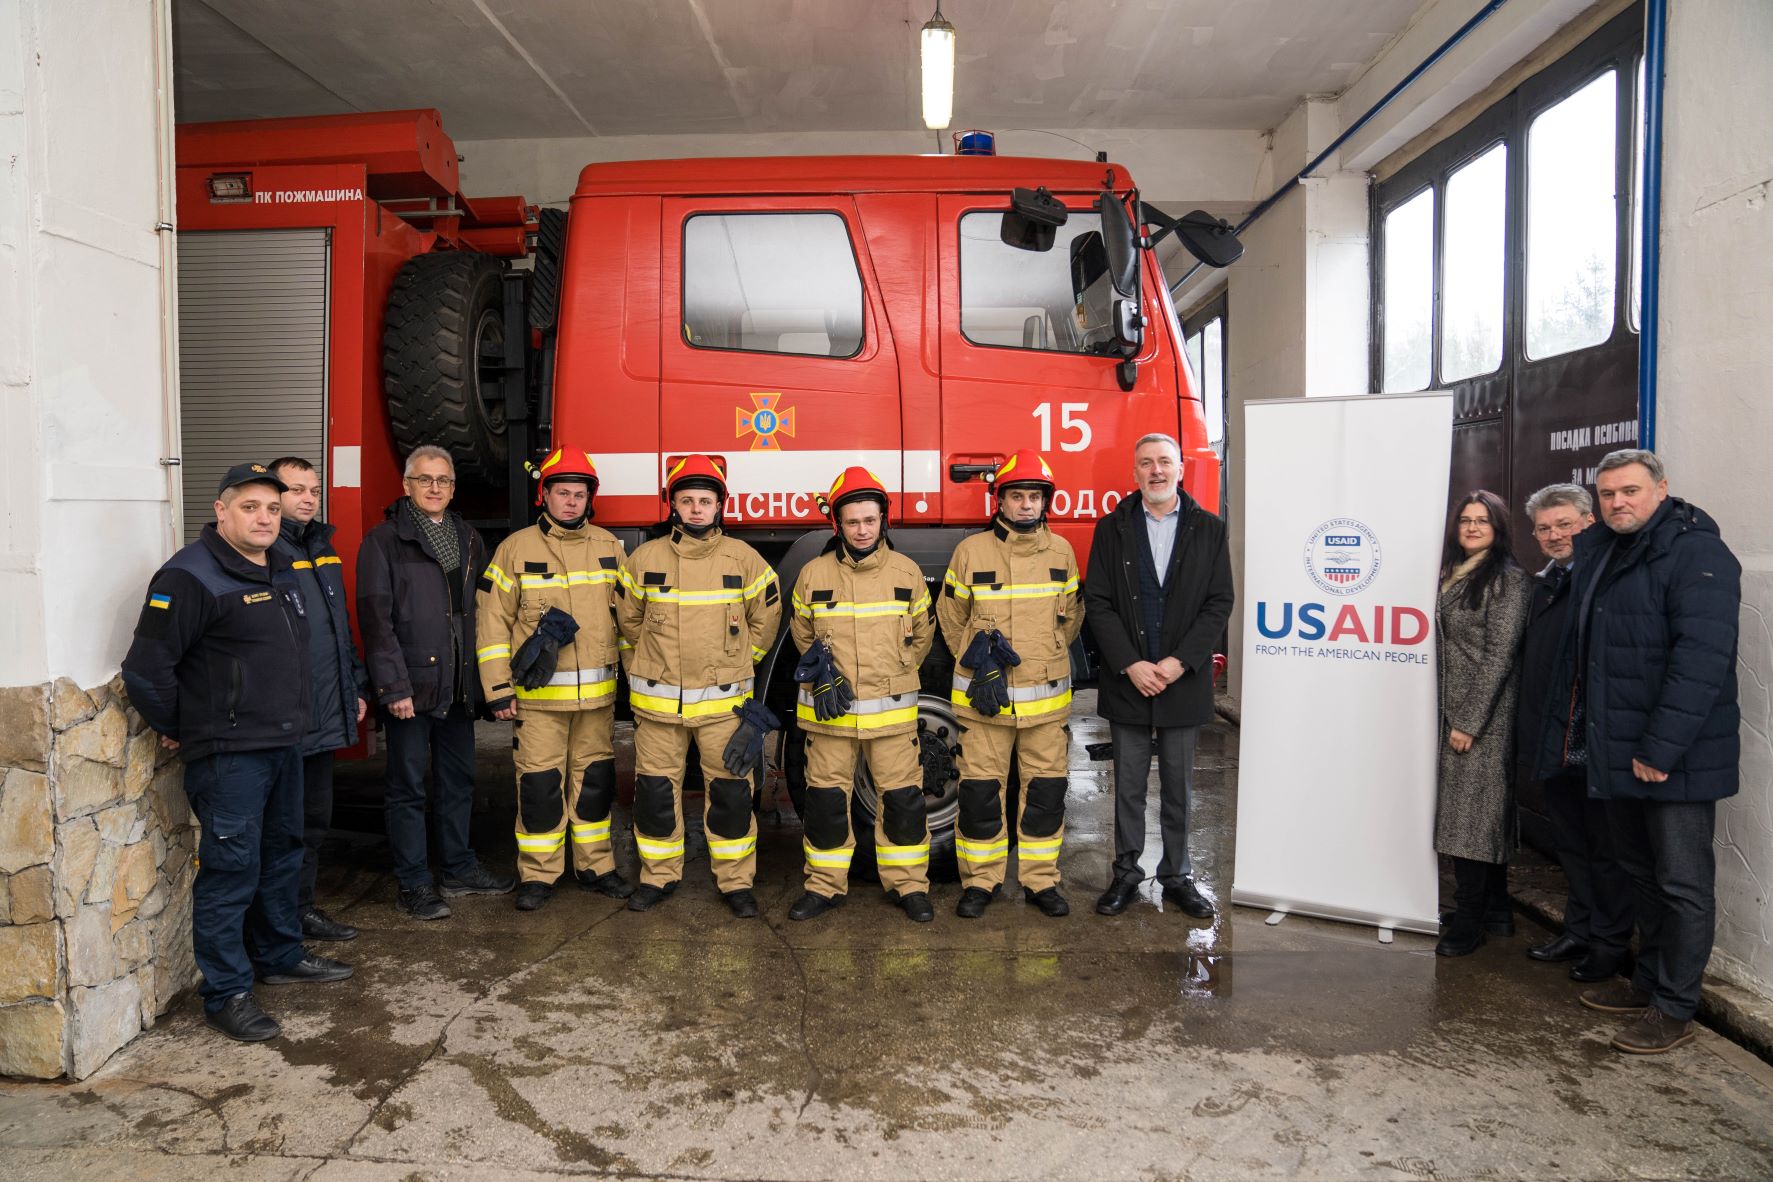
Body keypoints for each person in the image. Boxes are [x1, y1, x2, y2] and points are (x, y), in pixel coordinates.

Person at [122, 463, 352, 1042]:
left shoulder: (282, 568)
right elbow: (146, 670)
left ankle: (279, 954)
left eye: (273, 508)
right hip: (231, 757)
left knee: (283, 854)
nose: (264, 518)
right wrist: (184, 725)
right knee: (230, 871)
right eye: (250, 507)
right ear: (221, 511)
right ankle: (227, 993)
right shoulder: (189, 576)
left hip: (286, 744)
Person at [1570, 449, 1740, 1055]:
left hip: (1674, 759)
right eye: (1607, 493)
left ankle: (1675, 1008)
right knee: (1642, 875)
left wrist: (1660, 748)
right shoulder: (1609, 550)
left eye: (1630, 491)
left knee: (1682, 884)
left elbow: (1701, 662)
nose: (1617, 502)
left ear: (1661, 489)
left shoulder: (1697, 553)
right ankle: (1647, 983)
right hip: (1619, 750)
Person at [617, 455, 782, 916]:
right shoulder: (644, 560)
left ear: (719, 506)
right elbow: (628, 622)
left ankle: (736, 883)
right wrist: (649, 664)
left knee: (731, 795)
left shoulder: (745, 560)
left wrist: (738, 664)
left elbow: (766, 621)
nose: (695, 509)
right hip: (658, 707)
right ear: (672, 505)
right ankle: (657, 877)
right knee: (655, 794)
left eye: (704, 501)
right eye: (686, 500)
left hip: (724, 709)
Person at [357, 444, 514, 920]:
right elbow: (376, 621)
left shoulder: (468, 538)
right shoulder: (384, 541)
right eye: (424, 479)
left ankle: (459, 868)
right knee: (407, 788)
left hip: (458, 685)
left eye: (443, 480)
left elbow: (482, 612)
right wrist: (393, 687)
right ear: (406, 485)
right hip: (411, 687)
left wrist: (483, 682)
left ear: (452, 488)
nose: (434, 487)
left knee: (459, 782)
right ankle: (414, 883)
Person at [476, 447, 636, 912]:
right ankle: (538, 875)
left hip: (597, 701)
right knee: (540, 787)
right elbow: (492, 623)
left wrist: (637, 684)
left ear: (590, 499)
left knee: (594, 785)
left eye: (578, 494)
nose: (570, 502)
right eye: (561, 493)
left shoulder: (610, 548)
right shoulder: (515, 549)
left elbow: (627, 622)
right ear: (543, 496)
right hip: (538, 700)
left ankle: (596, 867)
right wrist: (498, 690)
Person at [1084, 434, 1234, 919]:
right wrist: (1131, 663)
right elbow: (1098, 602)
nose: (1156, 471)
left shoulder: (1209, 529)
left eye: (1164, 462)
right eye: (1146, 463)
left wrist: (1179, 662)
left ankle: (1176, 877)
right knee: (1127, 787)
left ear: (1180, 469)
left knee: (1178, 788)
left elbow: (1219, 602)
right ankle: (1126, 874)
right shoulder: (1112, 529)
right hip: (1128, 678)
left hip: (1181, 680)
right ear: (1134, 473)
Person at [936, 450, 1084, 919]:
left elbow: (1070, 618)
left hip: (1045, 703)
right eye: (1016, 496)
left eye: (1034, 497)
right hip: (985, 704)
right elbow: (951, 617)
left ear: (1045, 503)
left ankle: (1041, 882)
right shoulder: (971, 552)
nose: (1025, 505)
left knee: (1045, 795)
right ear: (999, 501)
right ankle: (980, 882)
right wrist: (975, 659)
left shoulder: (1062, 552)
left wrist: (1046, 654)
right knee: (980, 795)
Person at [787, 466, 936, 922]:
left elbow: (922, 639)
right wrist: (822, 672)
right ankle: (824, 886)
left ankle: (909, 886)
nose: (862, 530)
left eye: (870, 520)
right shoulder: (812, 574)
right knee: (826, 803)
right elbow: (802, 635)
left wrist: (894, 675)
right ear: (838, 524)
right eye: (852, 522)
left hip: (891, 718)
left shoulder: (907, 573)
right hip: (830, 717)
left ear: (882, 520)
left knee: (903, 803)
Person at [1515, 483, 1634, 981]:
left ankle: (1609, 944)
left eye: (1564, 524)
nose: (1554, 535)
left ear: (1589, 522)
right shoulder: (1544, 585)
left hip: (1598, 744)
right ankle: (1579, 931)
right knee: (1572, 845)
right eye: (1544, 528)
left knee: (1608, 853)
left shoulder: (1609, 580)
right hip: (1556, 743)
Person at [267, 456, 369, 943]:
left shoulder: (322, 549)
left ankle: (300, 910)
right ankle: (276, 924)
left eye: (313, 490)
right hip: (284, 719)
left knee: (313, 822)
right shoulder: (265, 552)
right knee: (282, 829)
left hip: (324, 710)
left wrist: (356, 686)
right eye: (296, 490)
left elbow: (337, 629)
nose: (308, 498)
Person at [1432, 490, 1530, 957]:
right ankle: (1497, 911)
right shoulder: (1456, 572)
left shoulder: (1508, 579)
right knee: (1479, 813)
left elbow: (1499, 656)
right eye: (1466, 520)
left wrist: (1470, 721)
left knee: (1469, 819)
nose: (1472, 527)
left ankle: (1469, 922)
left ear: (1499, 528)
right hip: (1453, 710)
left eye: (1482, 521)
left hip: (1482, 716)